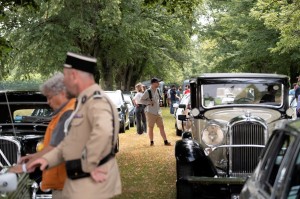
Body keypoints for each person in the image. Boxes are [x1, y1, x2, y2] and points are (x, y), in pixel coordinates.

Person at [28, 52, 121, 199]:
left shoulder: (95, 101)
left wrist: (89, 165)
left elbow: (104, 132)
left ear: (74, 76)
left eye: (65, 77)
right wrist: (45, 159)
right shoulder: (84, 101)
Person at [9, 72, 76, 199]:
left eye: (50, 97)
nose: (48, 102)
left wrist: (24, 167)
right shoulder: (66, 112)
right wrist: (34, 156)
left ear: (62, 93)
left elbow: (55, 148)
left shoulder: (68, 114)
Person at [140, 77, 171, 146]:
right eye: (157, 82)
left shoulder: (158, 90)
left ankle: (165, 141)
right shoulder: (148, 91)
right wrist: (149, 102)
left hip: (158, 112)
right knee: (151, 127)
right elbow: (141, 100)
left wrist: (160, 102)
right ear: (153, 83)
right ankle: (151, 142)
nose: (158, 83)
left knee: (161, 126)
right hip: (150, 112)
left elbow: (158, 99)